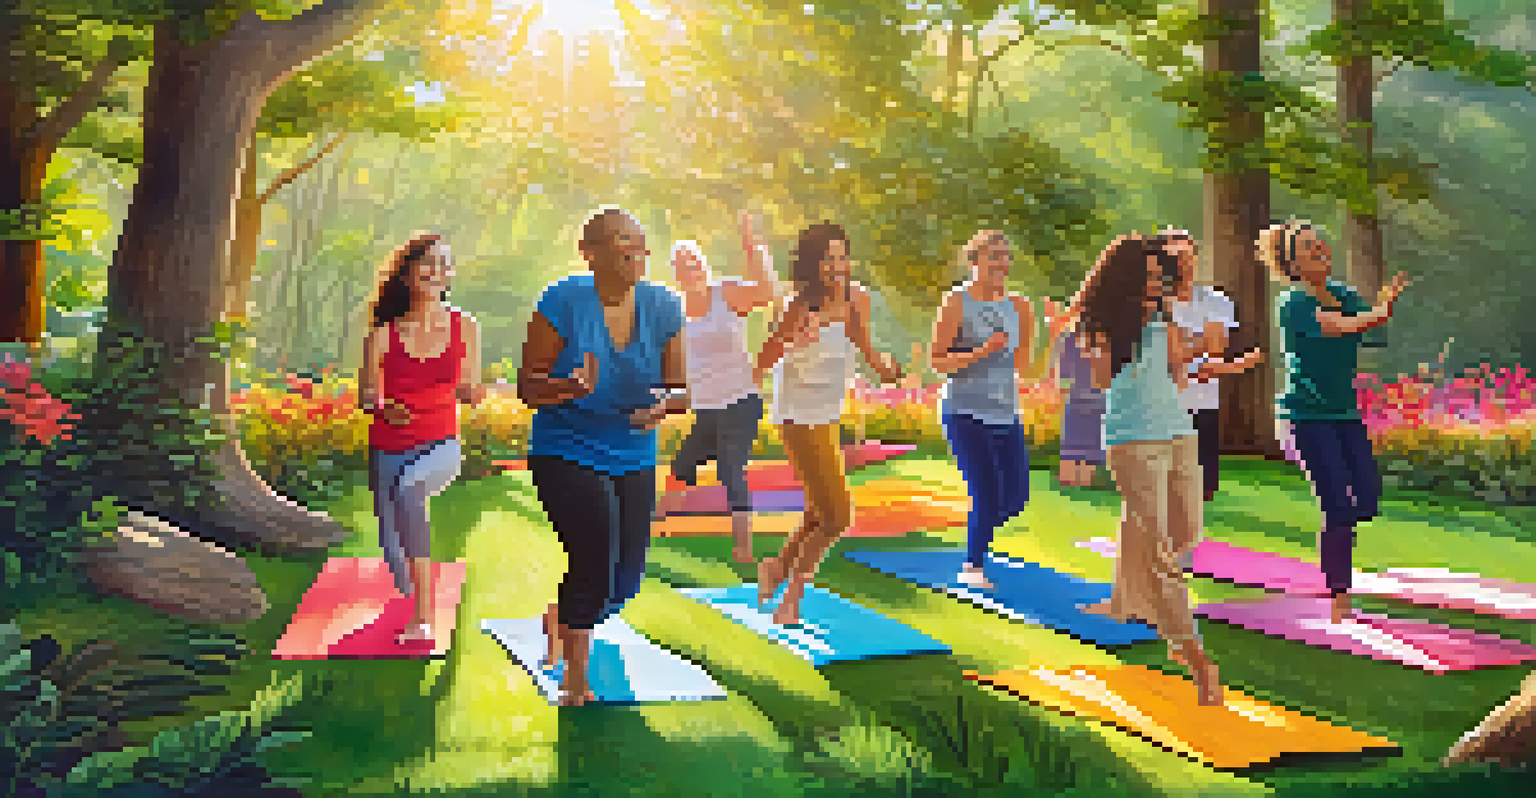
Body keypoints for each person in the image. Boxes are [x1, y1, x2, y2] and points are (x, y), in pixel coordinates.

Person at [518, 208, 689, 706]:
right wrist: (568, 387)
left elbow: (680, 389)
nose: (635, 249)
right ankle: (575, 680)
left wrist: (661, 407)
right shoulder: (563, 300)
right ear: (589, 253)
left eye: (639, 240)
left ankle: (564, 616)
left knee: (626, 577)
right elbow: (529, 387)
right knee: (592, 557)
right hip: (565, 449)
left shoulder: (663, 305)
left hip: (633, 453)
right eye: (620, 241)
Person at [1076, 234, 1224, 706]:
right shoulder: (1104, 321)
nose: (1161, 280)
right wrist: (1113, 341)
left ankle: (1132, 600)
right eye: (1153, 274)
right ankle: (1195, 657)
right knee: (1162, 554)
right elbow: (1102, 379)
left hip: (1179, 432)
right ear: (1128, 277)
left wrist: (1195, 352)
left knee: (1188, 532)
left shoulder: (1165, 314)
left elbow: (1177, 364)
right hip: (1134, 441)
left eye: (1163, 274)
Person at [1259, 218, 1411, 625]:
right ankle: (1339, 598)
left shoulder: (1343, 294)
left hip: (1343, 416)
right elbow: (1340, 327)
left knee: (1368, 499)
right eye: (1309, 248)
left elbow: (1371, 332)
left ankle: (1340, 535)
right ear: (1293, 262)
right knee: (1338, 508)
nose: (1321, 250)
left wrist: (1381, 312)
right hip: (1304, 419)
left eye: (1321, 244)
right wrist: (1376, 314)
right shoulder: (1293, 304)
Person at [753, 222, 903, 626]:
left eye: (842, 257)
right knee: (837, 516)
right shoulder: (798, 306)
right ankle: (792, 598)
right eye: (827, 259)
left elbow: (869, 352)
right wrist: (792, 341)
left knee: (819, 510)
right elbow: (763, 362)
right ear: (812, 264)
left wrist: (891, 372)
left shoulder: (857, 300)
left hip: (826, 413)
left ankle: (777, 568)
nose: (837, 266)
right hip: (797, 417)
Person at [361, 232, 494, 647]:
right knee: (394, 554)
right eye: (428, 262)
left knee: (410, 492)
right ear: (406, 273)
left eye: (444, 264)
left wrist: (475, 393)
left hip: (441, 445)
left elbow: (468, 386)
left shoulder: (465, 326)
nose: (437, 270)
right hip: (387, 447)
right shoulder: (383, 334)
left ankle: (424, 618)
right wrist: (383, 407)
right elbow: (366, 395)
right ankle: (408, 584)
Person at [652, 212, 782, 563]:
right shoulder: (675, 310)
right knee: (682, 465)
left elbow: (768, 294)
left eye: (693, 262)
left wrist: (754, 248)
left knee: (730, 469)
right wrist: (662, 401)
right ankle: (653, 527)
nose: (688, 270)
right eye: (681, 266)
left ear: (703, 265)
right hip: (706, 407)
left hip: (740, 402)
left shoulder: (726, 293)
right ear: (675, 274)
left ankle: (744, 549)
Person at [929, 230, 1036, 590]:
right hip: (964, 411)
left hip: (1006, 412)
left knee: (1017, 497)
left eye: (1005, 256)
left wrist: (1043, 332)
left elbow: (1024, 365)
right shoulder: (957, 302)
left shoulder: (1021, 306)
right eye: (993, 256)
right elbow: (938, 362)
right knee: (987, 492)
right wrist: (981, 352)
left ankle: (980, 527)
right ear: (974, 261)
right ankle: (972, 566)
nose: (1001, 263)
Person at [1159, 229, 1265, 502]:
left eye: (1187, 256)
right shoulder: (1150, 305)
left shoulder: (1216, 301)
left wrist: (1187, 344)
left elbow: (1216, 352)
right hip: (1156, 402)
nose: (1183, 263)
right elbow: (1171, 354)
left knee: (1202, 490)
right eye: (1174, 257)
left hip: (1202, 401)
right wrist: (1200, 341)